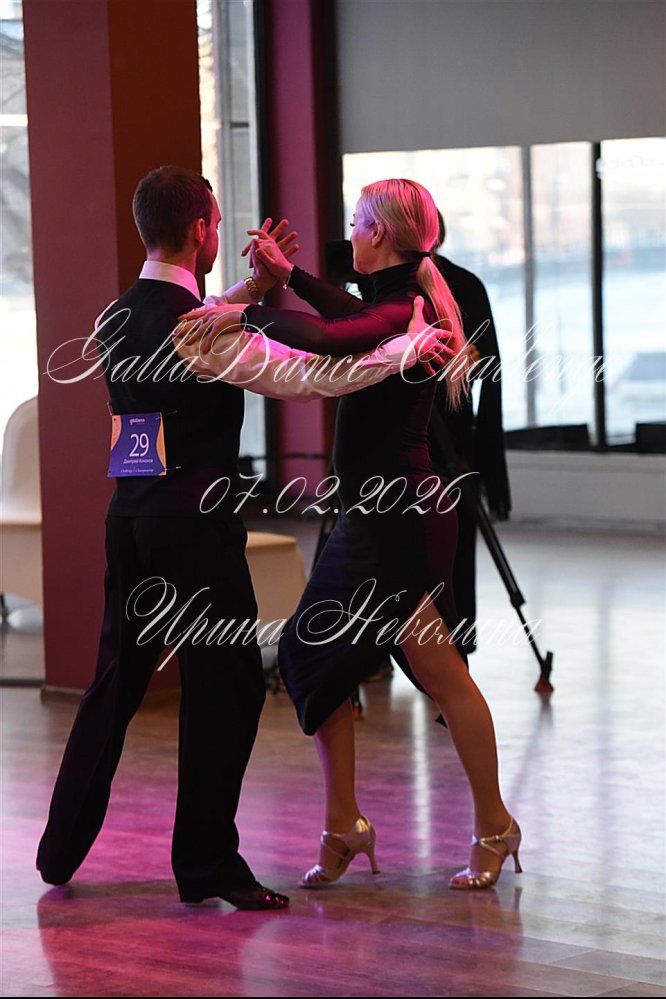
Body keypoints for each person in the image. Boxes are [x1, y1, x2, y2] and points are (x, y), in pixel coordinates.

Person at [35, 166, 444, 911]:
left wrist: (251, 291)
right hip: (196, 529)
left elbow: (187, 328)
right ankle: (207, 864)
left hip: (129, 521)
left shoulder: (113, 316)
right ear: (200, 230)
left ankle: (58, 848)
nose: (221, 234)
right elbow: (312, 377)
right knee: (226, 689)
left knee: (114, 683)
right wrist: (405, 350)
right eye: (218, 224)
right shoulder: (206, 330)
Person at [178, 178, 523, 891]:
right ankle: (347, 823)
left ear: (383, 233)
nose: (352, 232)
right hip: (375, 517)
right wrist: (287, 278)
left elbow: (331, 337)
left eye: (359, 222)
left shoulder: (406, 307)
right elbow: (347, 316)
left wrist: (247, 313)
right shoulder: (396, 301)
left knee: (435, 672)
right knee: (315, 658)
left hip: (400, 520)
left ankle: (490, 824)